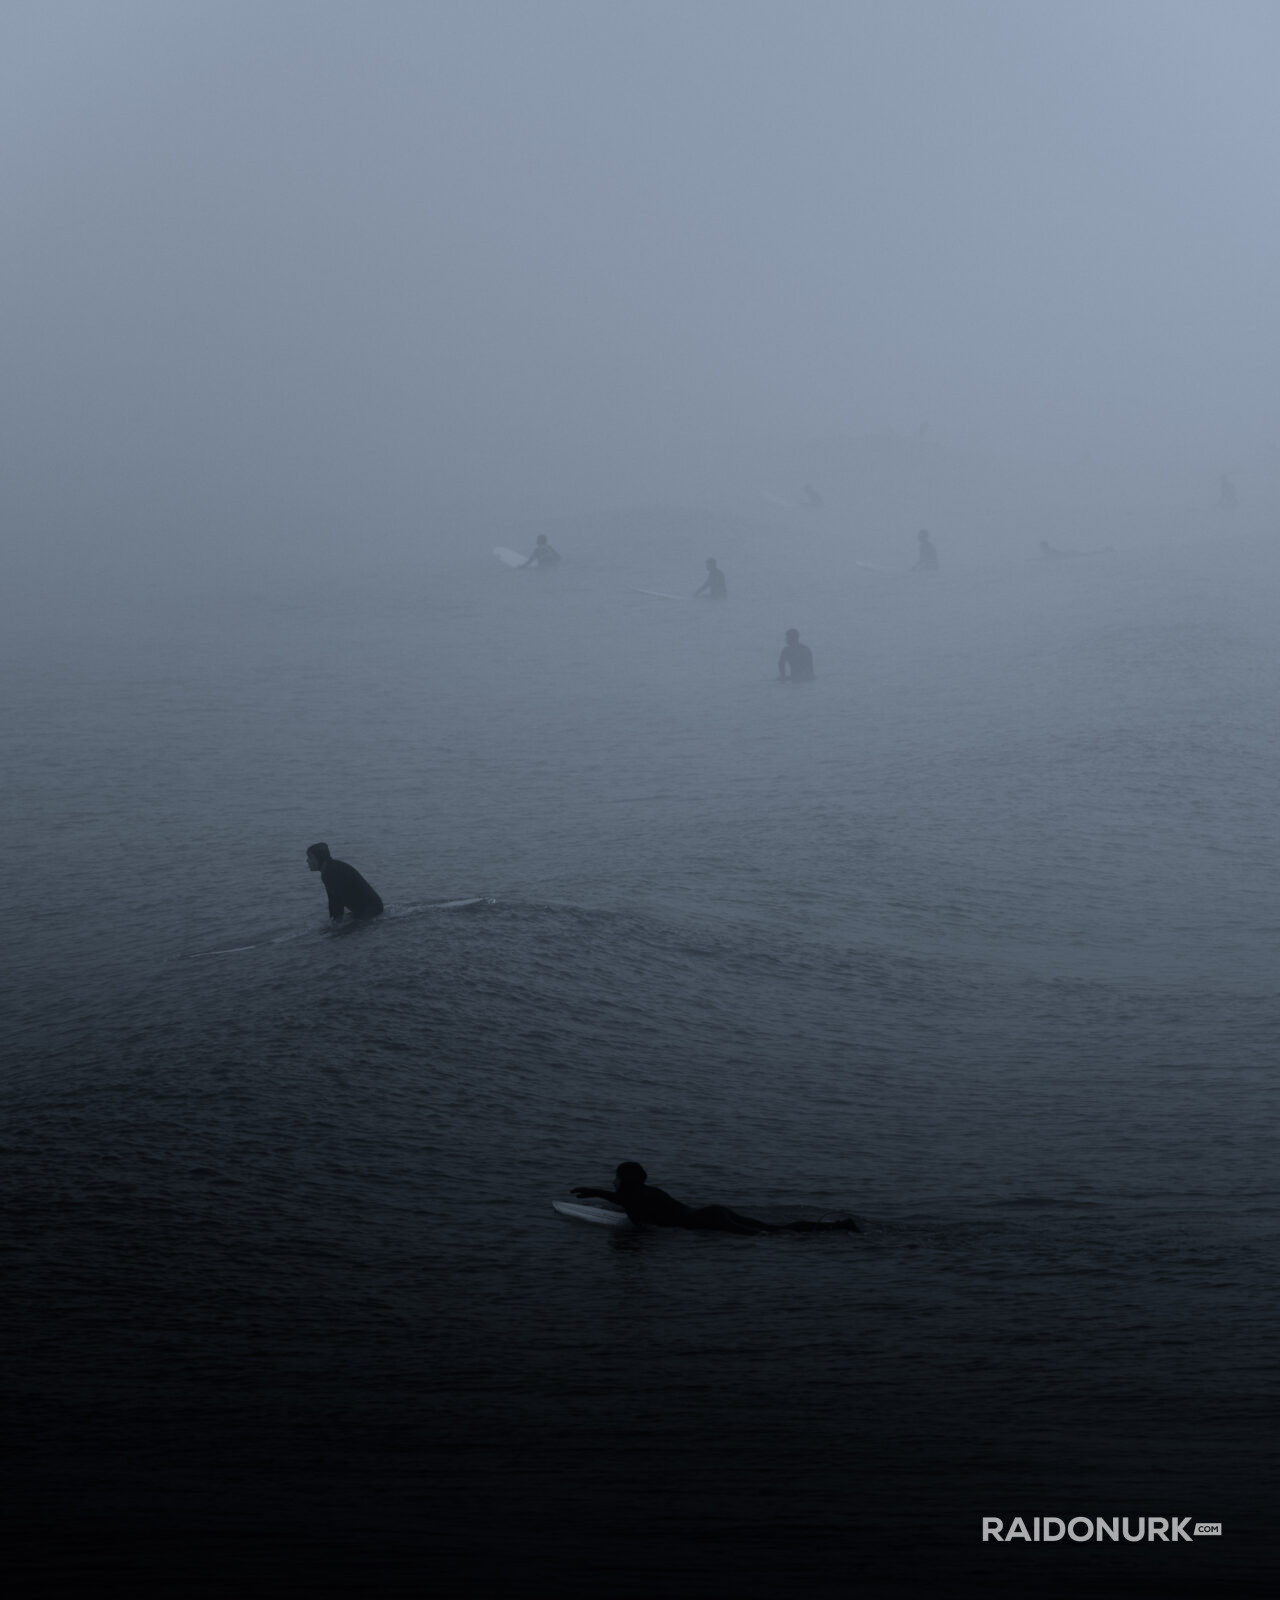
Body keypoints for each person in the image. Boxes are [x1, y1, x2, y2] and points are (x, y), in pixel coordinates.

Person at [572, 1162, 859, 1234]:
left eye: (616, 1178)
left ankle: (836, 1229)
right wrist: (601, 1194)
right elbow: (628, 1202)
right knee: (775, 1230)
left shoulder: (638, 1197)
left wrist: (595, 1192)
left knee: (768, 1236)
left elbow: (626, 1203)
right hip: (711, 1212)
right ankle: (838, 1227)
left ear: (626, 1181)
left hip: (705, 1219)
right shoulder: (650, 1192)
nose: (613, 1181)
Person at [306, 842, 384, 921]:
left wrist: (336, 923)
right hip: (368, 908)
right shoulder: (328, 870)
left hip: (371, 909)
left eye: (310, 857)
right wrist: (333, 920)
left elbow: (337, 901)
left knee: (340, 932)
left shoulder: (331, 871)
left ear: (319, 858)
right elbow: (332, 900)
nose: (307, 861)